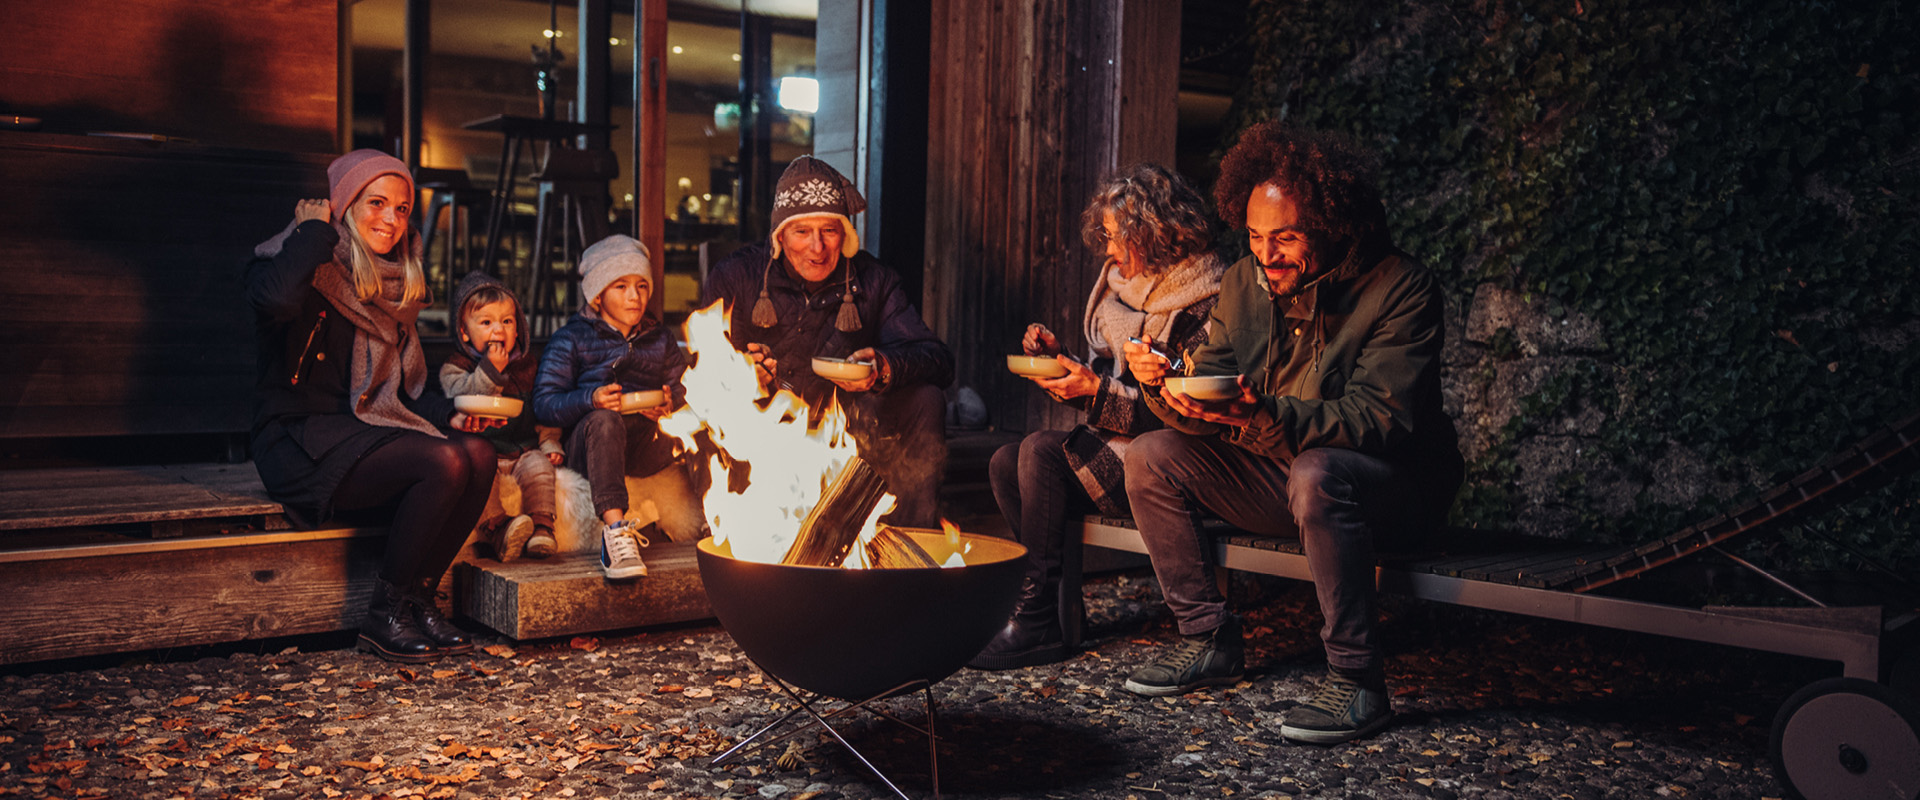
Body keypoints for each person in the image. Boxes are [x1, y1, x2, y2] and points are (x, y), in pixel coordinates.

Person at [1119, 122, 1465, 744]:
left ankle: (1358, 681)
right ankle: (1206, 638)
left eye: (1286, 237)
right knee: (1151, 455)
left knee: (1318, 472)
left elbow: (1379, 418)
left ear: (1333, 226)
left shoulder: (1401, 288)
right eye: (1254, 236)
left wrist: (1263, 417)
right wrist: (1166, 379)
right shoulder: (1244, 284)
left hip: (1389, 489)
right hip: (1283, 472)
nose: (1266, 254)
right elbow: (1214, 379)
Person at [968, 164, 1226, 670]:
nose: (1107, 251)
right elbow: (1115, 380)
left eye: (1115, 237)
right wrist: (1064, 361)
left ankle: (1037, 618)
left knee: (1041, 452)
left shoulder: (1206, 300)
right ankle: (1052, 609)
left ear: (1152, 232)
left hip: (1169, 458)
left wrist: (1092, 392)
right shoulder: (1123, 292)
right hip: (1118, 444)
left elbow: (1179, 418)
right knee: (1004, 461)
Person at [246, 149, 496, 664]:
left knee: (477, 451)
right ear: (343, 205)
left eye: (402, 209)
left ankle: (419, 599)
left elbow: (399, 397)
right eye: (376, 203)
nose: (391, 219)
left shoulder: (397, 286)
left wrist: (449, 414)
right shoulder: (298, 262)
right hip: (298, 440)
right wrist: (316, 232)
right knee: (443, 461)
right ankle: (384, 614)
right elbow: (272, 302)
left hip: (365, 434)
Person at [702, 156, 954, 528]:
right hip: (763, 431)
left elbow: (938, 359)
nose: (817, 248)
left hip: (849, 430)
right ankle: (731, 521)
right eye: (802, 231)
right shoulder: (737, 275)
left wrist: (882, 369)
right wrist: (742, 374)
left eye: (830, 231)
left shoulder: (875, 280)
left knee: (925, 400)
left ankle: (912, 536)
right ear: (780, 235)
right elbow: (701, 372)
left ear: (846, 236)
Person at [533, 234, 707, 579]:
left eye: (642, 286)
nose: (634, 296)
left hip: (644, 443)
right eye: (621, 286)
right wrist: (590, 398)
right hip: (592, 445)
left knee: (706, 421)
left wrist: (671, 403)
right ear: (598, 295)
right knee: (605, 419)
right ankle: (616, 534)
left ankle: (715, 519)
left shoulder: (658, 338)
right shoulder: (572, 338)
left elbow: (685, 388)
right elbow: (543, 404)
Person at [440, 271, 564, 561]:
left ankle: (543, 527)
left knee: (540, 468)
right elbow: (462, 396)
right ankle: (497, 527)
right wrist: (490, 372)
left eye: (507, 322)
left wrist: (549, 442)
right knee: (479, 475)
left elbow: (544, 409)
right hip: (484, 454)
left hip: (522, 450)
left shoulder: (528, 367)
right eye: (486, 322)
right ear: (464, 332)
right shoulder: (455, 367)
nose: (498, 330)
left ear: (518, 329)